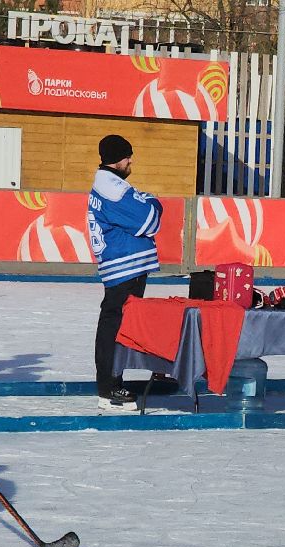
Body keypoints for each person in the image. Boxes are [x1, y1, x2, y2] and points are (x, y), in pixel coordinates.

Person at [86, 134, 164, 412]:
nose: (131, 160)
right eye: (128, 156)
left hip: (124, 263)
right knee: (114, 327)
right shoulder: (114, 189)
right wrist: (152, 201)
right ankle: (109, 388)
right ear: (117, 159)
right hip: (124, 264)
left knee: (117, 326)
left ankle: (111, 383)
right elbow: (150, 220)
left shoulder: (110, 184)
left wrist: (146, 200)